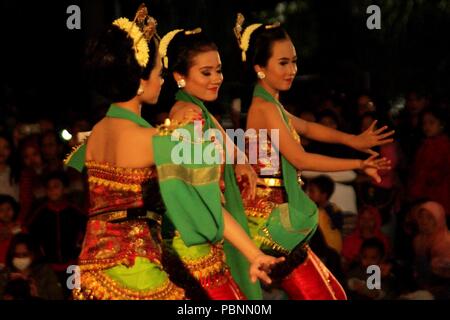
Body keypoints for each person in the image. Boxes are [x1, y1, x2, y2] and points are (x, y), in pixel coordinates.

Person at [233, 13, 393, 299]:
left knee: (336, 295)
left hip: (282, 220)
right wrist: (358, 163)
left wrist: (354, 140)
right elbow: (301, 160)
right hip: (270, 227)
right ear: (259, 67)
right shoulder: (264, 107)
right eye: (283, 63)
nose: (292, 69)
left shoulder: (272, 105)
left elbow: (307, 127)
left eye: (294, 61)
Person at [65, 4, 187, 299]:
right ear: (139, 80)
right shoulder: (148, 138)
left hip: (91, 276)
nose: (162, 80)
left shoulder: (95, 137)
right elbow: (202, 180)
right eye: (159, 73)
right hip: (135, 272)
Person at [156, 27, 283, 300]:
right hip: (195, 239)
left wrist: (240, 163)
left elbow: (231, 147)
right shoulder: (187, 116)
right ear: (179, 76)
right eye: (206, 72)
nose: (216, 79)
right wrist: (253, 252)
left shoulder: (197, 110)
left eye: (218, 70)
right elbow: (202, 198)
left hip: (212, 231)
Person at [0, 233, 63, 300]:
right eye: (17, 255)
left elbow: (57, 297)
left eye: (25, 255)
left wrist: (37, 294)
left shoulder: (45, 272)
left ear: (33, 255)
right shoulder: (5, 274)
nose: (21, 258)